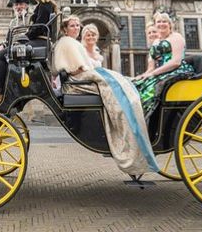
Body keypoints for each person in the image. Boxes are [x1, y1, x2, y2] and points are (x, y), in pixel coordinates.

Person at [53, 19, 159, 176]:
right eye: (72, 26)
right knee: (117, 86)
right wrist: (86, 71)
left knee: (120, 82)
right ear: (65, 28)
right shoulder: (67, 42)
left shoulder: (70, 42)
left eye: (77, 25)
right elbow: (74, 67)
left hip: (84, 75)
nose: (76, 28)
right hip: (81, 78)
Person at [133, 11, 195, 119]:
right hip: (162, 72)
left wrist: (154, 73)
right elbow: (151, 68)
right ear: (155, 24)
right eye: (159, 22)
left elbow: (176, 62)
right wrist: (143, 76)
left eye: (164, 21)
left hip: (177, 70)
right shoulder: (156, 42)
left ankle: (149, 118)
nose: (161, 24)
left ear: (170, 24)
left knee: (150, 90)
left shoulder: (176, 37)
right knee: (137, 85)